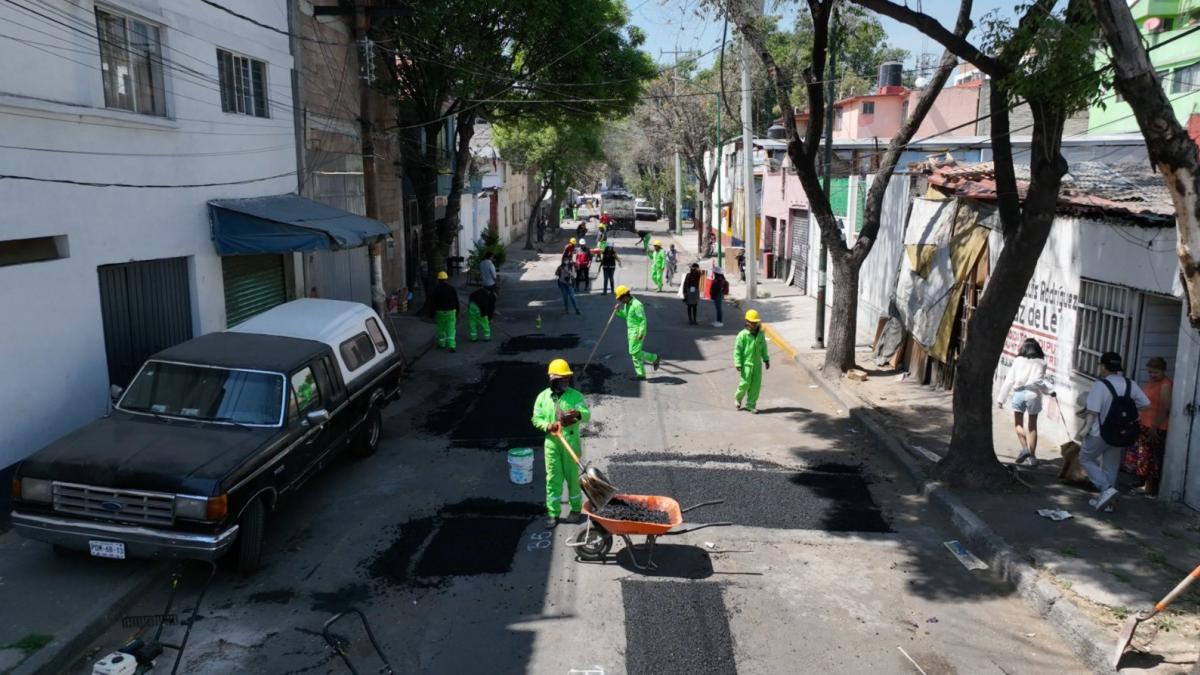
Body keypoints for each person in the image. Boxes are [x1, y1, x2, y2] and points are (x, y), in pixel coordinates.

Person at [1074, 352, 1150, 513]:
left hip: (1100, 432)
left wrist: (1084, 430)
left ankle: (1106, 488)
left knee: (1085, 458)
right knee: (1111, 465)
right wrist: (1128, 413)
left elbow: (1093, 412)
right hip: (1121, 432)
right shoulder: (1130, 384)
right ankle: (1108, 503)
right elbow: (1145, 403)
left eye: (1100, 365)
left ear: (1104, 367)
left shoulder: (1101, 385)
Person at [531, 358, 591, 528]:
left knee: (573, 479)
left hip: (571, 443)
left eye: (567, 378)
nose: (566, 381)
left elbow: (586, 414)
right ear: (553, 380)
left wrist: (577, 415)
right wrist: (547, 426)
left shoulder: (575, 396)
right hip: (552, 444)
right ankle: (553, 513)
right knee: (553, 480)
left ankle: (575, 510)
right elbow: (536, 418)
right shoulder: (542, 398)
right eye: (562, 378)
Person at [996, 338, 1056, 467]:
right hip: (1033, 395)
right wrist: (1050, 391)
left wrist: (1001, 399)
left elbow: (1009, 381)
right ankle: (1032, 458)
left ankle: (1025, 449)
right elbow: (1039, 382)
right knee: (1032, 426)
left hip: (1018, 394)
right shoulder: (1042, 363)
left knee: (1018, 424)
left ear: (1023, 349)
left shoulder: (1018, 361)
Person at [1123, 356, 1173, 496]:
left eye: (1156, 372)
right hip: (1144, 423)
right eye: (1150, 372)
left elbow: (1165, 408)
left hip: (1156, 427)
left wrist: (1154, 427)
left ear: (1163, 371)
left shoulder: (1165, 385)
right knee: (1143, 455)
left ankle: (1152, 489)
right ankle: (1142, 483)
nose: (1152, 375)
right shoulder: (1152, 382)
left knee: (1153, 458)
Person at [614, 285, 660, 380]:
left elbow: (642, 320)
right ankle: (641, 374)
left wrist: (641, 333)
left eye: (620, 299)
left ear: (625, 295)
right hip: (631, 332)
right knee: (635, 354)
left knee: (633, 352)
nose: (620, 301)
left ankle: (654, 358)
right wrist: (618, 311)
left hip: (637, 332)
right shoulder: (627, 304)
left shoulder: (637, 304)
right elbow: (626, 316)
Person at [734, 309, 770, 413]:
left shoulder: (761, 335)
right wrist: (738, 363)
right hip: (746, 365)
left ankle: (751, 404)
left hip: (757, 365)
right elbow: (737, 350)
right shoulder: (742, 335)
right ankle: (738, 397)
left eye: (755, 323)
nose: (754, 325)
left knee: (755, 385)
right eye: (752, 322)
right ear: (747, 322)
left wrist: (766, 359)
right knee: (745, 383)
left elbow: (764, 347)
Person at [432, 271, 459, 352]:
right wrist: (457, 312)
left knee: (441, 328)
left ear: (438, 280)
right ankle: (451, 345)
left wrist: (432, 314)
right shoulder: (452, 289)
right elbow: (456, 301)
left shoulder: (436, 289)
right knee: (451, 328)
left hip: (440, 312)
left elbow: (433, 302)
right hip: (451, 312)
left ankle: (441, 344)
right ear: (446, 279)